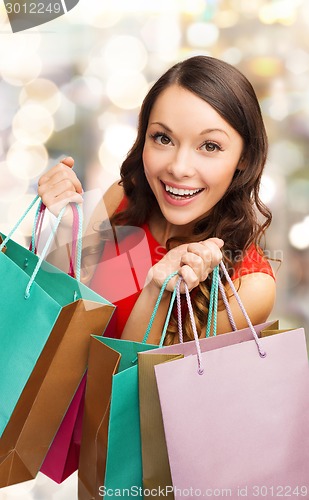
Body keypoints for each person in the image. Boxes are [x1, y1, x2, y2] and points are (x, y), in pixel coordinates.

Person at [38, 55, 276, 345]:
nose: (178, 167)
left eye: (210, 146)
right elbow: (68, 313)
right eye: (163, 138)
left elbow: (140, 385)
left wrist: (158, 292)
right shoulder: (123, 197)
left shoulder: (249, 286)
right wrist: (63, 221)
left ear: (245, 157)